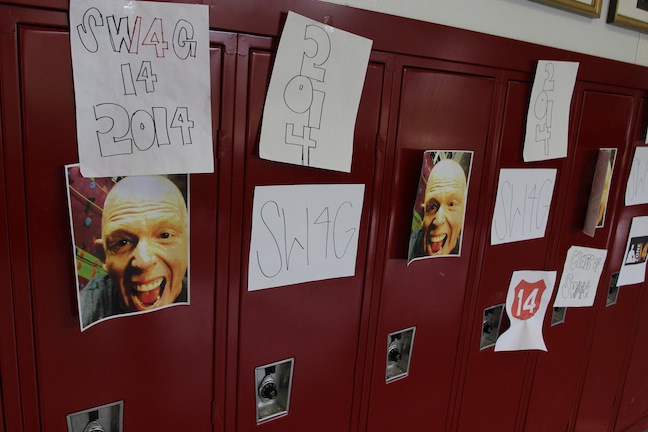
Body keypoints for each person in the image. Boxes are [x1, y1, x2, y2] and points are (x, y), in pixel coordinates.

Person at [80, 175, 189, 328]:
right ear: (104, 256)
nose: (143, 261)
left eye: (165, 235)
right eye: (122, 243)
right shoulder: (89, 306)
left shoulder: (211, 302)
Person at [409, 158, 467, 259]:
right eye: (432, 207)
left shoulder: (470, 253)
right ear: (423, 214)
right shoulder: (410, 246)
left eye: (451, 204)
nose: (438, 220)